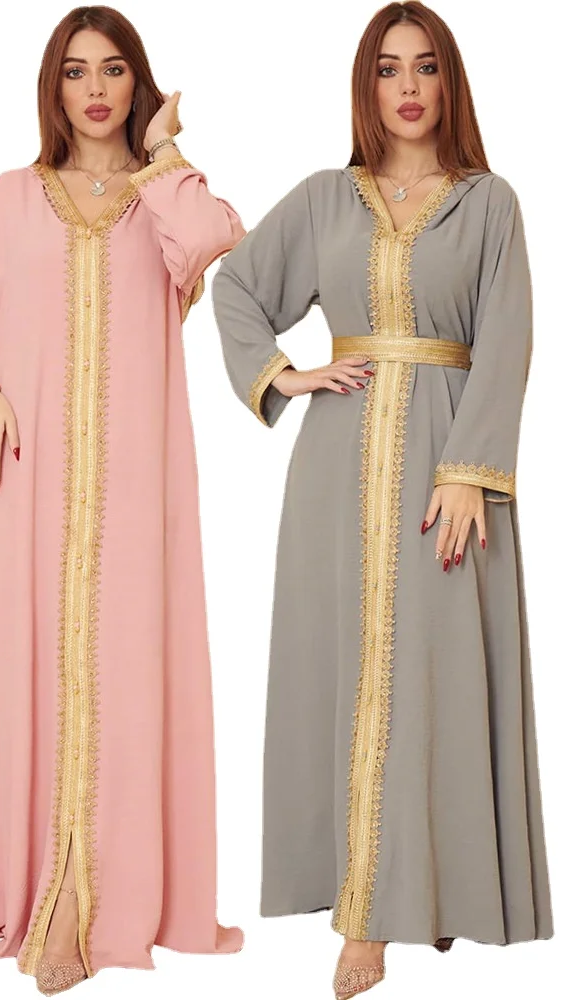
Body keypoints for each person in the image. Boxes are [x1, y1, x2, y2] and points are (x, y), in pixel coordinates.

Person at [212, 3, 552, 997]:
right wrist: (283, 374)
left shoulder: (488, 203)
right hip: (336, 466)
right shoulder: (326, 198)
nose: (407, 87)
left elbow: (508, 337)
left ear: (450, 83)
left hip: (450, 469)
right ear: (366, 87)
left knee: (436, 676)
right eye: (388, 69)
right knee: (343, 669)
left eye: (426, 67)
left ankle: (424, 893)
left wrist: (468, 470)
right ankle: (363, 915)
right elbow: (237, 288)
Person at [0, 5, 245, 994]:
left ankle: (107, 904)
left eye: (113, 70)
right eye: (74, 71)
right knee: (30, 673)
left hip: (137, 499)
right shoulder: (7, 202)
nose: (94, 89)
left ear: (138, 84)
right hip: (24, 494)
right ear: (51, 89)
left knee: (130, 675)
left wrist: (163, 152)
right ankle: (45, 895)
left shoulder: (164, 204)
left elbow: (215, 238)